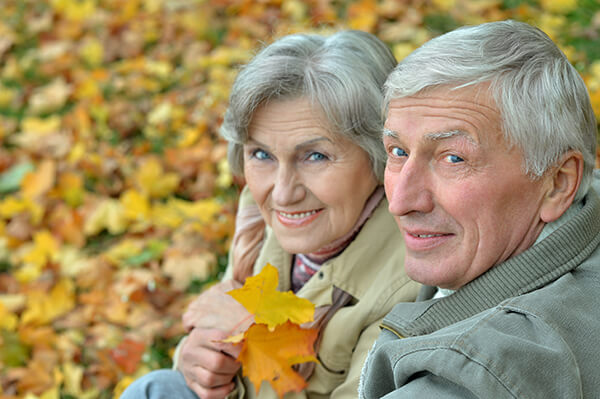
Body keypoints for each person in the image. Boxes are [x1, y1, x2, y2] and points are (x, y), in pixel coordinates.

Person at [121, 30, 420, 399]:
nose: (281, 192)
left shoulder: (409, 279)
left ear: (379, 155)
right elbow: (219, 333)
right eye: (262, 154)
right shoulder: (261, 213)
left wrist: (248, 332)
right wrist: (200, 364)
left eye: (315, 156)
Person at [358, 19, 600, 398]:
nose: (401, 201)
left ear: (558, 183)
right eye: (398, 152)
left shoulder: (476, 379)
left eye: (453, 158)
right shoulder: (586, 204)